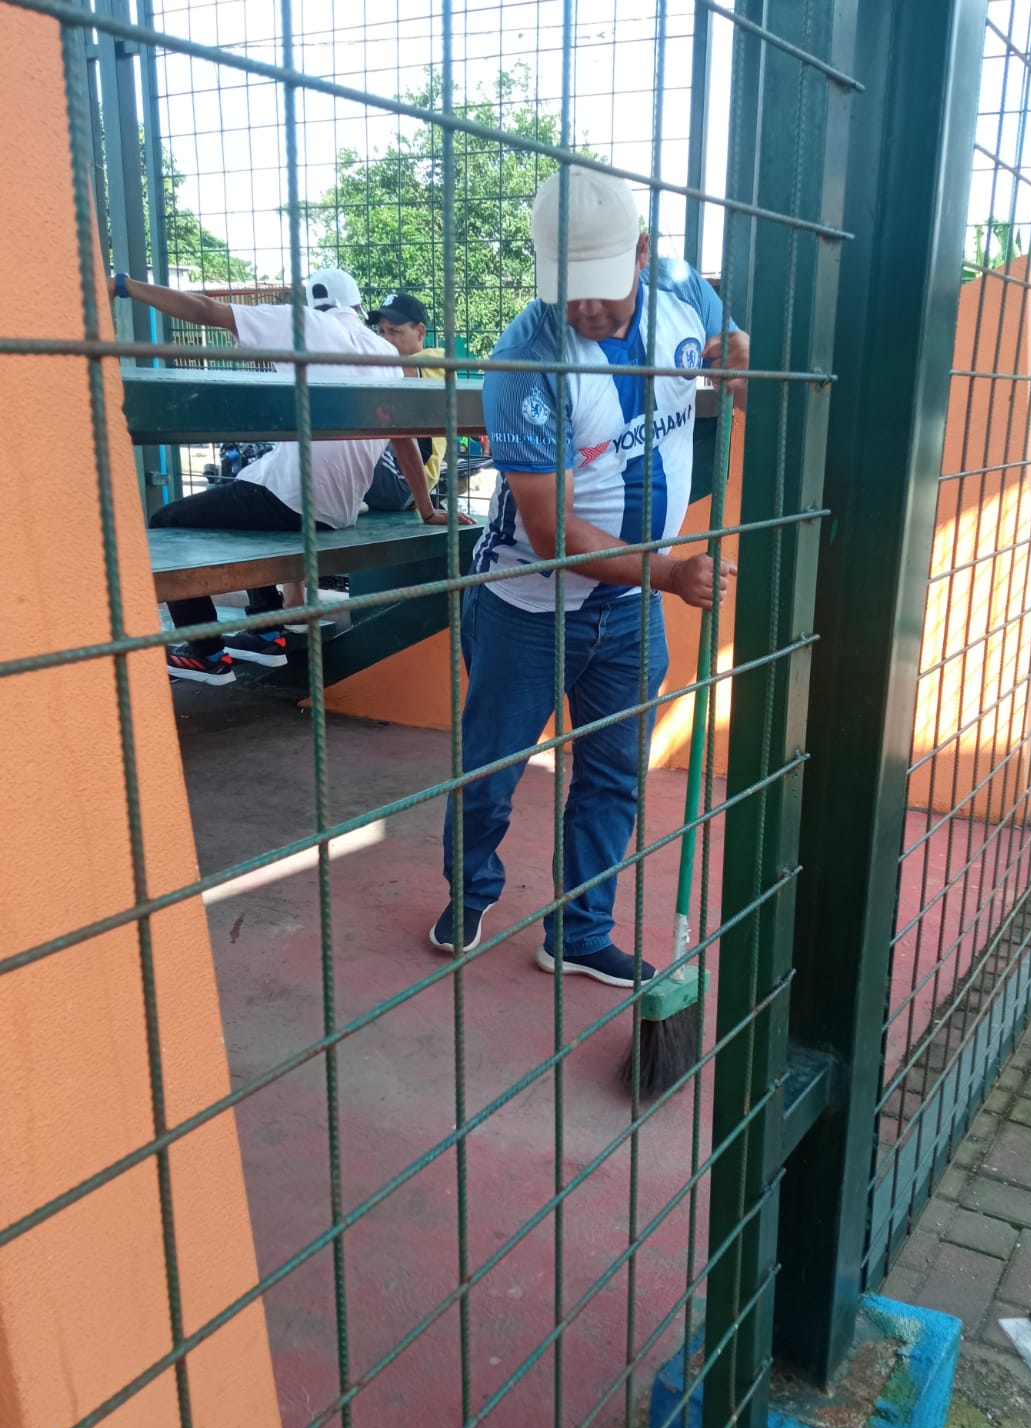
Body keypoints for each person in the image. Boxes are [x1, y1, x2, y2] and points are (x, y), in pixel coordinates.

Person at [430, 165, 749, 988]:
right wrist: (671, 572)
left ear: (641, 253)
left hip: (632, 607)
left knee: (612, 776)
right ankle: (470, 891)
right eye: (567, 291)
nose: (586, 309)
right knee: (491, 773)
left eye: (602, 288)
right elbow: (551, 535)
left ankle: (579, 931)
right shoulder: (525, 360)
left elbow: (732, 340)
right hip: (527, 608)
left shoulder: (681, 289)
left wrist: (741, 352)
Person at [108, 267, 466, 684]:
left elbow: (205, 309)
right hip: (337, 511)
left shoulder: (298, 321)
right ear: (356, 306)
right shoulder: (384, 353)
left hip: (292, 499)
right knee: (249, 495)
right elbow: (405, 441)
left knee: (167, 520)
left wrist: (127, 286)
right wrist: (427, 510)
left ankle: (205, 653)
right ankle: (266, 631)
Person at [367, 292, 447, 504]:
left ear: (420, 332)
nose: (384, 339)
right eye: (381, 331)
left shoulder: (436, 361)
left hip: (405, 479)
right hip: (399, 480)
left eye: (394, 331)